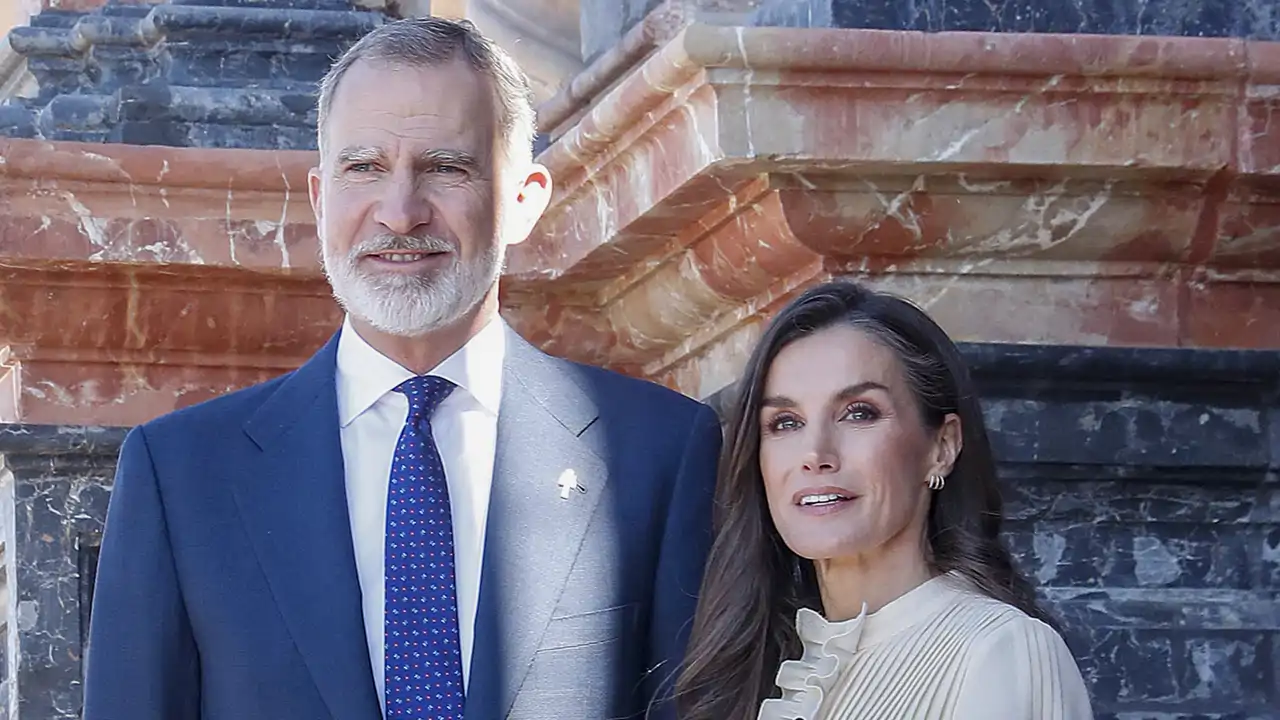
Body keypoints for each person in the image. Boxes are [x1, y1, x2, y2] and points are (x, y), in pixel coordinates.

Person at [82, 17, 721, 720]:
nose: (400, 212)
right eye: (365, 168)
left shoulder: (658, 452)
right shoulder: (182, 475)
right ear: (322, 199)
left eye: (446, 168)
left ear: (524, 199)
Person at [674, 280, 1093, 720]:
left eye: (859, 413)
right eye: (785, 422)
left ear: (942, 447)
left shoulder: (1001, 651)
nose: (815, 454)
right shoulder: (760, 667)